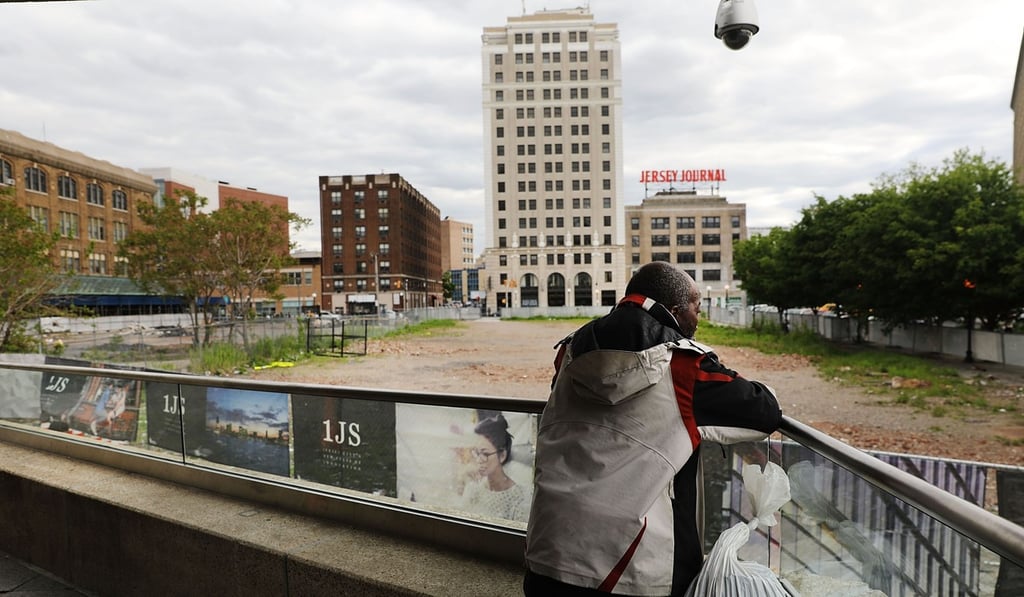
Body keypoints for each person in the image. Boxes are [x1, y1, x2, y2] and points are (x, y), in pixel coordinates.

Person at [524, 262, 783, 596]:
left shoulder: (570, 354)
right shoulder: (683, 366)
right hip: (631, 567)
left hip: (550, 548)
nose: (698, 318)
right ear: (675, 310)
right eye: (696, 307)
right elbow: (763, 411)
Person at [458, 413, 531, 523]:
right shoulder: (473, 489)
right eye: (477, 453)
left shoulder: (519, 499)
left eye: (485, 454)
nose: (478, 460)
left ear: (502, 455)